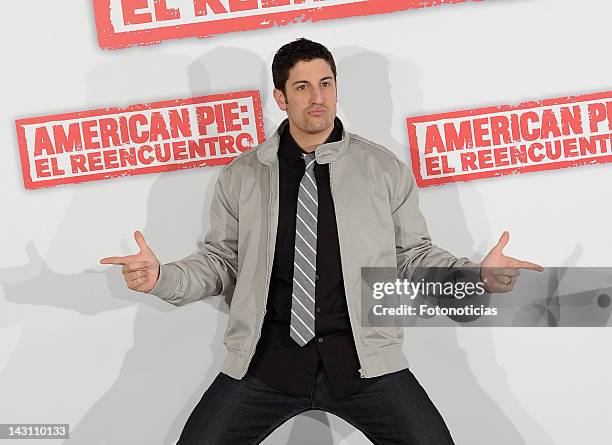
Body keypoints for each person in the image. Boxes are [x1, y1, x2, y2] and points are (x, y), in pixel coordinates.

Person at [100, 38, 542, 444]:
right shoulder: (243, 176)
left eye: (326, 83)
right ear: (281, 97)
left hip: (364, 361)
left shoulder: (382, 169)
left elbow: (414, 256)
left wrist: (476, 277)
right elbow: (221, 262)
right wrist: (162, 277)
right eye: (303, 86)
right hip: (265, 362)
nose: (318, 97)